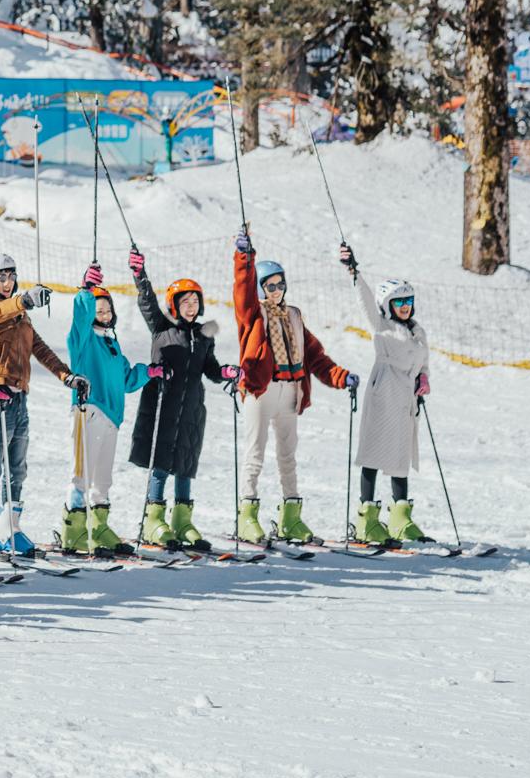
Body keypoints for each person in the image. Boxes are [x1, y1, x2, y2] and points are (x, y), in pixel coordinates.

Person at [232, 231, 355, 544]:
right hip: (261, 390)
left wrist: (340, 377)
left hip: (291, 392)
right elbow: (242, 292)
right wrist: (244, 260)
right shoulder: (253, 314)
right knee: (255, 454)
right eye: (269, 285)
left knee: (288, 457)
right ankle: (247, 516)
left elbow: (315, 356)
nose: (276, 290)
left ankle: (291, 516)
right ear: (260, 288)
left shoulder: (295, 315)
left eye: (280, 283)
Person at [0, 247, 86, 558]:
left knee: (17, 467)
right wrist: (23, 300)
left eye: (11, 276)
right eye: (0, 277)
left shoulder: (20, 314)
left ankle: (9, 525)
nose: (7, 282)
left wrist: (66, 376)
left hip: (19, 398)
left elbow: (40, 348)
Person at [127, 248, 240, 547]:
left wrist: (226, 371)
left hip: (190, 410)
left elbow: (210, 369)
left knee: (186, 463)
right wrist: (140, 275)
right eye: (184, 302)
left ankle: (182, 520)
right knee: (161, 461)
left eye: (194, 301)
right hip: (163, 406)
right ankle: (153, 520)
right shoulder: (162, 329)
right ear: (174, 306)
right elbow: (148, 304)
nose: (190, 306)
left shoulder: (204, 336)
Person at [339, 243, 434, 544]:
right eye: (398, 302)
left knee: (400, 456)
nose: (404, 306)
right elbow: (366, 301)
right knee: (374, 452)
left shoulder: (418, 332)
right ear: (387, 305)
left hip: (406, 399)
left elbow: (424, 361)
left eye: (408, 301)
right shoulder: (382, 327)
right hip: (384, 393)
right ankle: (367, 519)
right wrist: (355, 271)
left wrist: (424, 378)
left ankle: (400, 519)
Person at [56, 262, 153, 556]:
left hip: (111, 418)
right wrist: (86, 291)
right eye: (99, 311)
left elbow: (125, 379)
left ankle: (98, 528)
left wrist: (151, 372)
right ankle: (73, 530)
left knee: (103, 478)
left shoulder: (113, 343)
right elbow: (80, 318)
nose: (104, 314)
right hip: (88, 411)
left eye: (107, 310)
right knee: (82, 473)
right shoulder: (82, 342)